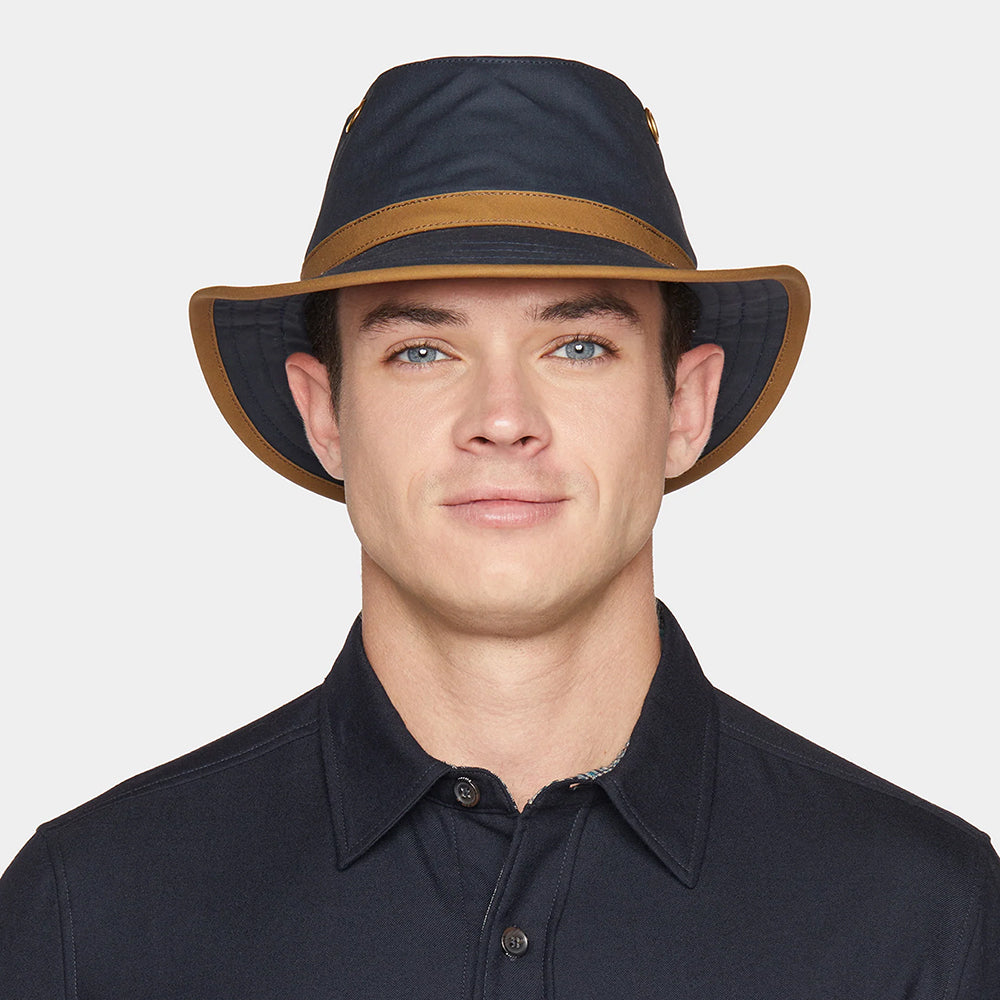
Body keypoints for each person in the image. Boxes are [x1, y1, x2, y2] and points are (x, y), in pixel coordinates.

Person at [1, 55, 996, 998]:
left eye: (578, 345)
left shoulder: (923, 917)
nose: (504, 418)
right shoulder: (92, 912)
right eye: (422, 351)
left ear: (684, 408)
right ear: (324, 415)